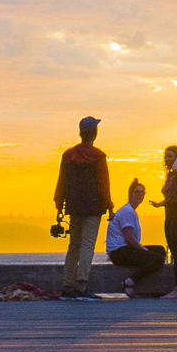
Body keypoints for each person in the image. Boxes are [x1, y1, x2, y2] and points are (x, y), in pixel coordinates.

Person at [55, 117, 113, 298]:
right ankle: (81, 285)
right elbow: (103, 184)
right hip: (93, 206)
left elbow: (61, 182)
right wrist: (109, 206)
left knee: (74, 245)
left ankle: (67, 284)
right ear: (94, 133)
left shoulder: (68, 155)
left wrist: (59, 205)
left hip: (73, 205)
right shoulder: (98, 156)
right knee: (88, 244)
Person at [105, 179, 169, 297]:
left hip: (125, 250)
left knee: (160, 250)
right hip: (119, 252)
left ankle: (147, 285)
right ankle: (129, 282)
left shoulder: (131, 211)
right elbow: (129, 239)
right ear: (130, 194)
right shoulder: (127, 211)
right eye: (137, 192)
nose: (140, 195)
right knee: (158, 259)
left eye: (142, 192)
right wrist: (143, 250)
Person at [151, 145, 177, 298]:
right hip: (169, 214)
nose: (167, 160)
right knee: (173, 251)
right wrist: (159, 204)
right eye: (166, 157)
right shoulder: (171, 176)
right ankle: (176, 289)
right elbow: (172, 196)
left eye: (170, 156)